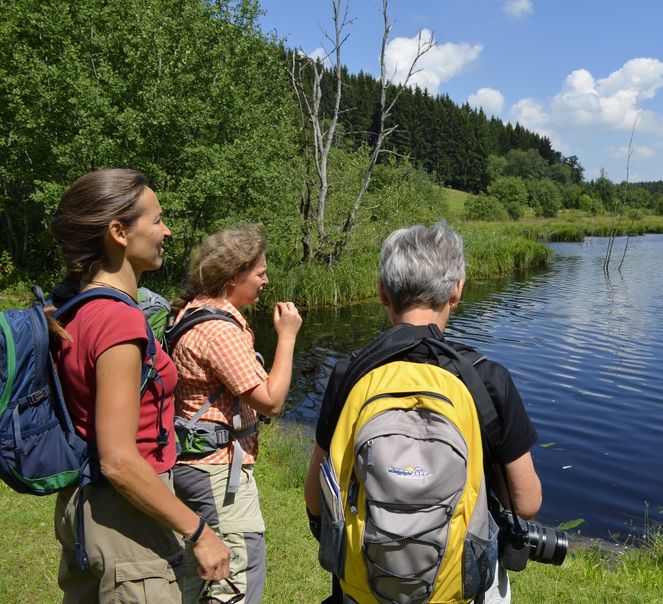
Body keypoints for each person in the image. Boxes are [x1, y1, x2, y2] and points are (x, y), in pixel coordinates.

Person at [305, 221, 542, 603]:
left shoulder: (350, 373)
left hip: (363, 587)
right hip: (456, 588)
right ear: (457, 290)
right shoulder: (487, 379)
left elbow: (317, 499)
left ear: (382, 292)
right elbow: (526, 503)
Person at [49, 168, 231, 603]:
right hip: (125, 522)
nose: (166, 231)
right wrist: (200, 531)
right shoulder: (118, 320)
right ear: (118, 232)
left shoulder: (77, 308)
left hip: (86, 511)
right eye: (156, 219)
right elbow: (117, 459)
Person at [169, 224, 302, 603]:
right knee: (238, 569)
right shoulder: (218, 330)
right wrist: (288, 336)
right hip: (216, 470)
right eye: (260, 273)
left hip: (192, 464)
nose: (266, 280)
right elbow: (272, 400)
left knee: (200, 572)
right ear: (233, 278)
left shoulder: (189, 311)